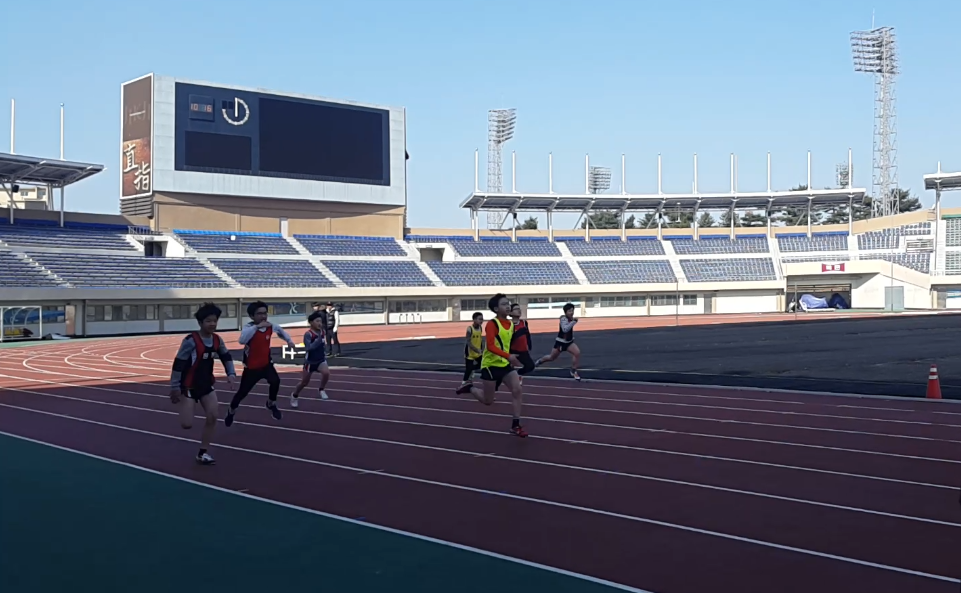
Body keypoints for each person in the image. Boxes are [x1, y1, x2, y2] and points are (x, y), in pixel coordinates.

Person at [169, 302, 237, 465]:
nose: (212, 324)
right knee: (187, 425)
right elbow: (178, 364)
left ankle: (203, 452)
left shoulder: (217, 340)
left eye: (215, 320)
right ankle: (183, 403)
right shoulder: (190, 341)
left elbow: (226, 356)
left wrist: (231, 373)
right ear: (200, 323)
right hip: (189, 386)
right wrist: (175, 387)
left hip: (206, 385)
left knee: (213, 416)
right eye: (208, 321)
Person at [457, 294, 528, 438]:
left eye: (508, 303)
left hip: (505, 365)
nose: (508, 306)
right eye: (503, 304)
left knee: (517, 390)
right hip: (490, 366)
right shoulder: (492, 324)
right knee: (488, 401)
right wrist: (508, 356)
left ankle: (515, 425)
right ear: (496, 309)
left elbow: (507, 344)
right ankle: (469, 387)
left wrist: (516, 355)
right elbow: (490, 346)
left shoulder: (511, 325)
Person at [225, 301, 296, 426]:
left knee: (275, 381)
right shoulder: (249, 328)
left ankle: (271, 403)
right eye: (259, 314)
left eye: (265, 313)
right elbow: (242, 340)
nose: (263, 316)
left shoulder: (270, 326)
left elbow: (280, 331)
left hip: (266, 365)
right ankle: (231, 410)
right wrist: (256, 327)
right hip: (252, 368)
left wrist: (289, 341)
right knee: (242, 393)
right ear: (252, 316)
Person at [290, 310, 331, 407]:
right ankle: (295, 395)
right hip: (310, 362)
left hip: (320, 360)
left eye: (320, 321)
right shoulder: (308, 334)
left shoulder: (322, 332)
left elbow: (322, 343)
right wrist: (318, 340)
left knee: (326, 373)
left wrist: (323, 348)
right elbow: (308, 348)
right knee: (304, 382)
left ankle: (321, 389)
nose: (319, 323)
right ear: (311, 322)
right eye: (317, 321)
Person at [535, 302, 582, 381]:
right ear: (566, 312)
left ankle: (573, 370)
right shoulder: (563, 319)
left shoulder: (571, 318)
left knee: (577, 353)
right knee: (552, 357)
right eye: (570, 311)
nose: (572, 312)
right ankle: (540, 361)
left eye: (572, 310)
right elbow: (565, 329)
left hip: (569, 342)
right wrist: (574, 322)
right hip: (560, 343)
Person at [509, 303, 535, 384]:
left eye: (519, 308)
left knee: (530, 366)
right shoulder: (508, 325)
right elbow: (508, 339)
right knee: (505, 369)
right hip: (513, 350)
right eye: (516, 309)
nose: (519, 310)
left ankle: (518, 373)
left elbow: (527, 334)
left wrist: (529, 344)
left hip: (523, 350)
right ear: (511, 313)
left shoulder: (524, 322)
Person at [460, 312, 485, 389]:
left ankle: (472, 370)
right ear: (474, 320)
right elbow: (468, 342)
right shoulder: (470, 329)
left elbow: (480, 340)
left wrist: (481, 349)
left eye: (482, 319)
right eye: (479, 319)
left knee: (482, 364)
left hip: (478, 352)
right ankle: (464, 382)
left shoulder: (480, 328)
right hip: (470, 352)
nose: (481, 321)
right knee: (468, 369)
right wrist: (475, 349)